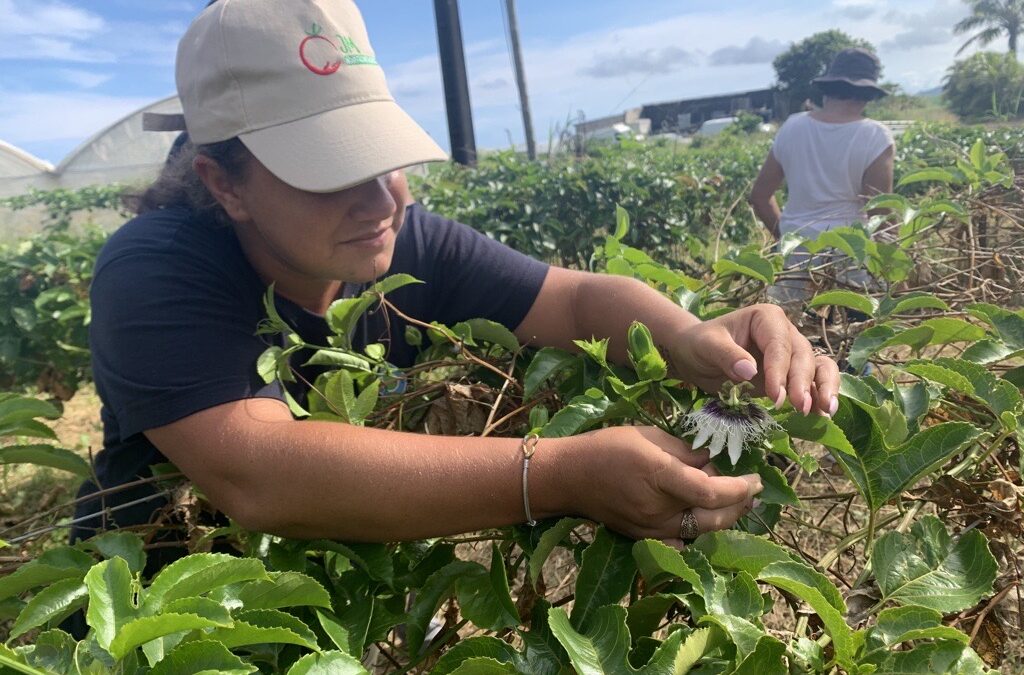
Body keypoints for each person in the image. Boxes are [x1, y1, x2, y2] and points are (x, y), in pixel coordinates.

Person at [70, 0, 839, 571]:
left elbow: (569, 298)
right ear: (223, 183)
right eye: (329, 172)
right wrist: (559, 473)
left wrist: (689, 337)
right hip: (170, 608)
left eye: (382, 158)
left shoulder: (397, 236)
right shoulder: (155, 267)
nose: (381, 201)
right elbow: (262, 471)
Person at [749, 48, 895, 307]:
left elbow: (760, 197)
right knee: (854, 335)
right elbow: (881, 215)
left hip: (797, 257)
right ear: (868, 94)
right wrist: (896, 272)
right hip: (851, 258)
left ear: (827, 89)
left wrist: (786, 237)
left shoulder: (792, 127)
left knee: (792, 337)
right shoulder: (875, 136)